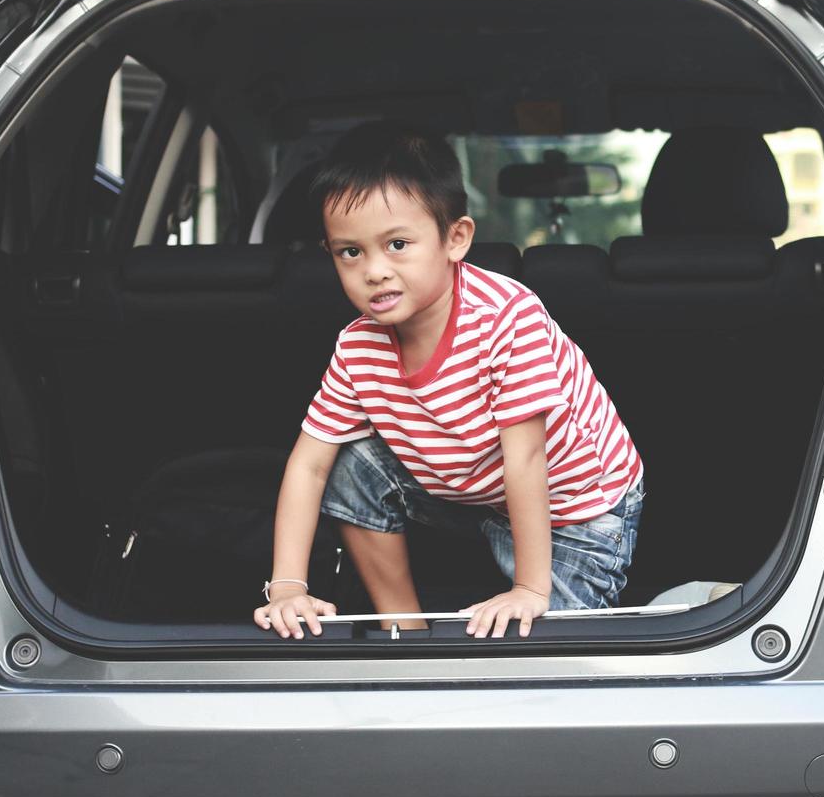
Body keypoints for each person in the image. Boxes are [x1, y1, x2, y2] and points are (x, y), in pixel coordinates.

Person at [252, 121, 644, 640]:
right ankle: (405, 631)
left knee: (554, 655)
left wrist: (529, 589)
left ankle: (681, 602)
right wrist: (286, 587)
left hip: (577, 507)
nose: (373, 270)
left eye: (397, 244)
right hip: (478, 487)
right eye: (351, 252)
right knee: (352, 460)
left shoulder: (506, 317)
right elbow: (309, 464)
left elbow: (526, 457)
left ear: (455, 238)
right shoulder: (357, 345)